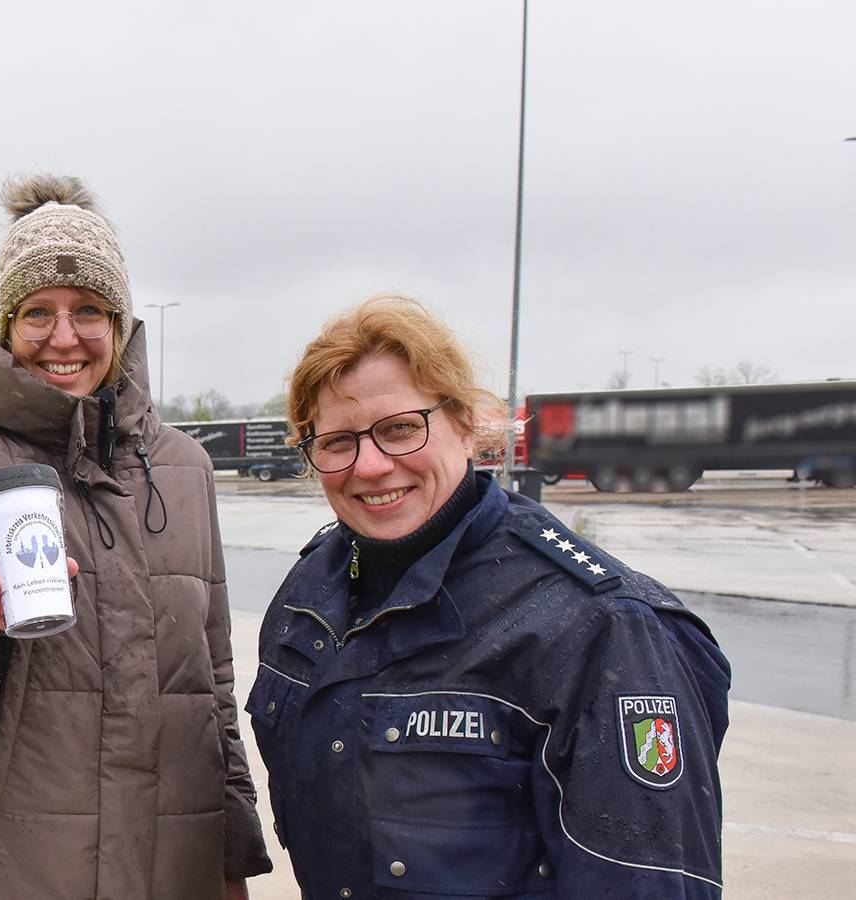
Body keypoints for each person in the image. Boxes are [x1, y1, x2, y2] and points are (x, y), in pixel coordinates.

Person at [251, 295, 730, 898]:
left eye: (401, 428)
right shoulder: (309, 593)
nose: (369, 466)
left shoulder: (598, 628)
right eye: (338, 441)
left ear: (466, 424)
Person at [0, 174, 271, 900]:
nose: (64, 337)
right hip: (9, 866)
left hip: (176, 864)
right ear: (5, 323)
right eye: (37, 311)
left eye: (89, 310)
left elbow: (213, 689)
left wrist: (234, 854)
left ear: (120, 320)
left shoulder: (186, 467)